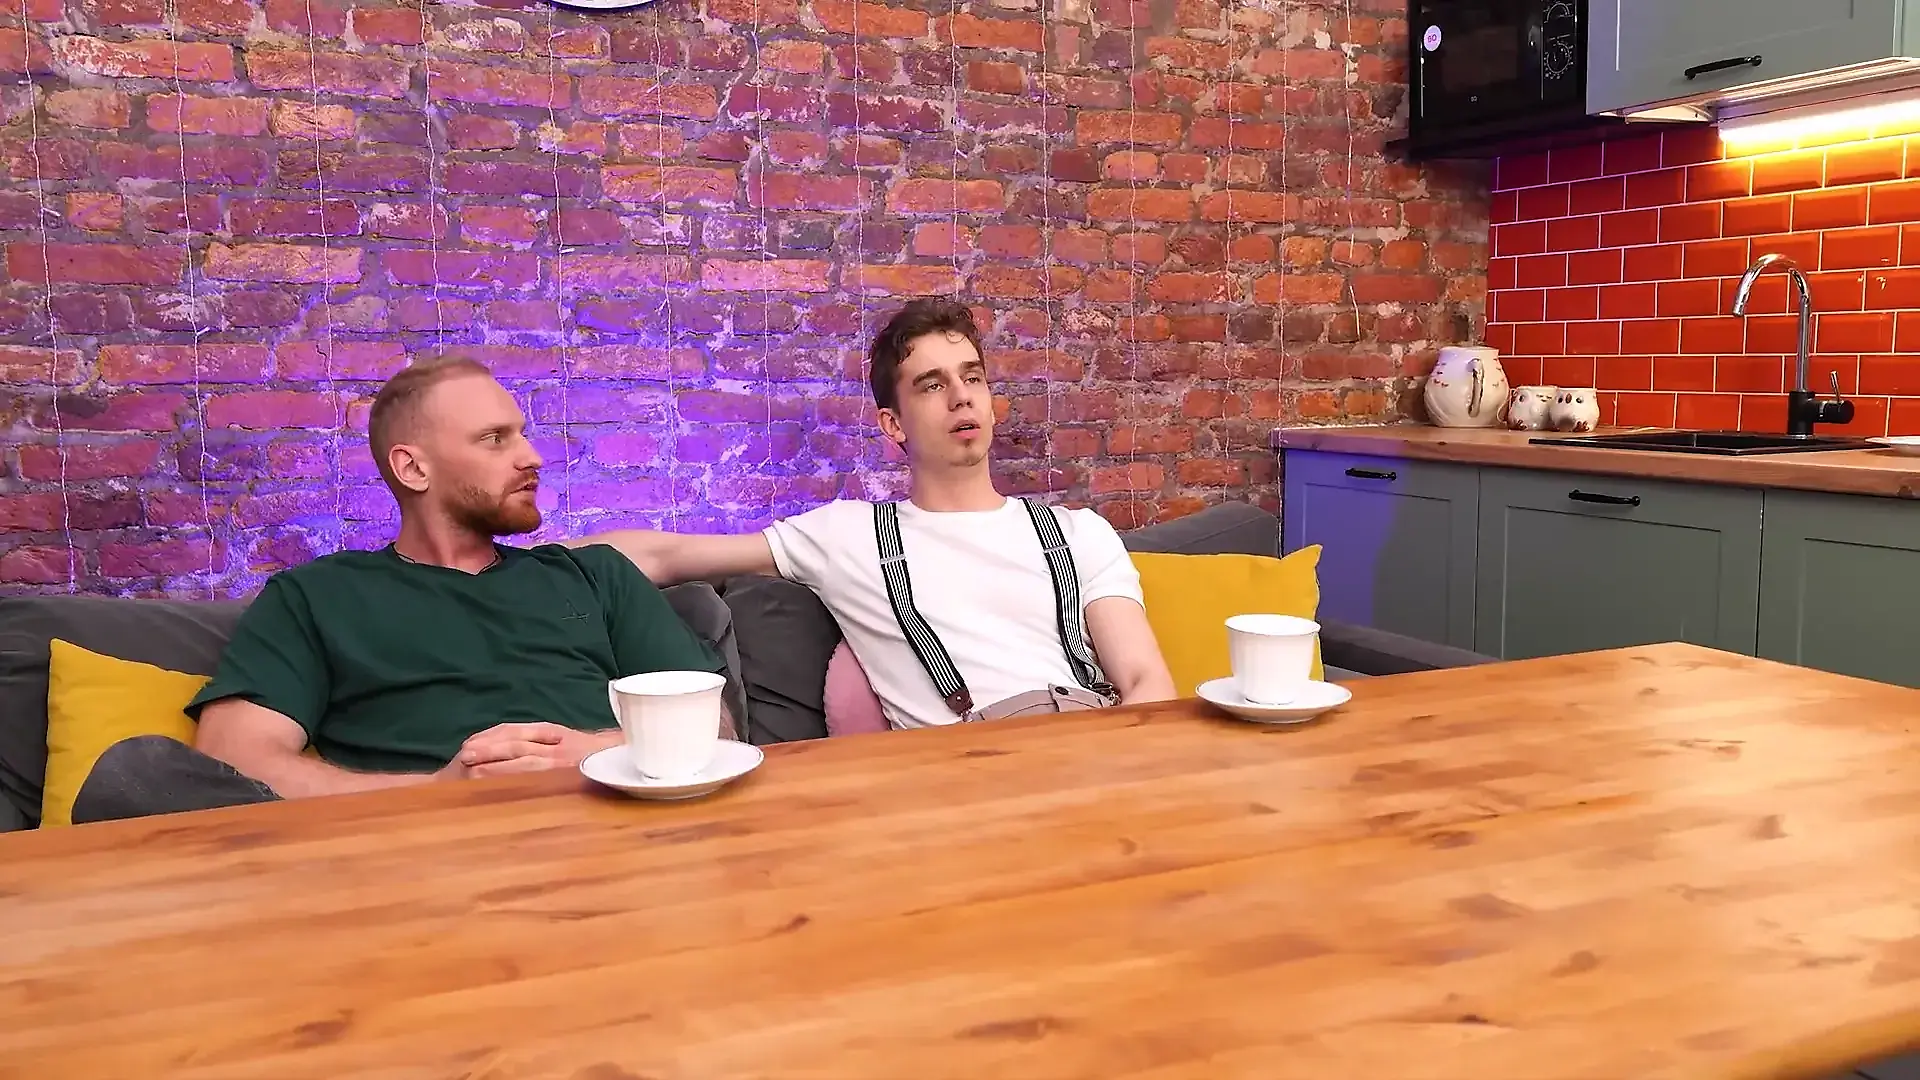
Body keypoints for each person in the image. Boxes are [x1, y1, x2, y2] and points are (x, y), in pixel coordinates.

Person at [72, 358, 731, 824]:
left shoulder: (594, 574)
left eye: (523, 434)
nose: (530, 456)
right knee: (136, 774)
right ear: (413, 468)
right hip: (414, 849)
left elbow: (719, 729)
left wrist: (591, 755)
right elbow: (234, 757)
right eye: (495, 440)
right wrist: (437, 792)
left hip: (611, 824)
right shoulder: (319, 595)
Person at [578, 298, 1177, 731]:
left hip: (1096, 742)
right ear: (893, 425)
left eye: (972, 378)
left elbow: (1146, 683)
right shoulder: (849, 535)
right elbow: (666, 554)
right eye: (932, 385)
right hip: (970, 774)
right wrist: (536, 565)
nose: (961, 396)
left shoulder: (1079, 533)